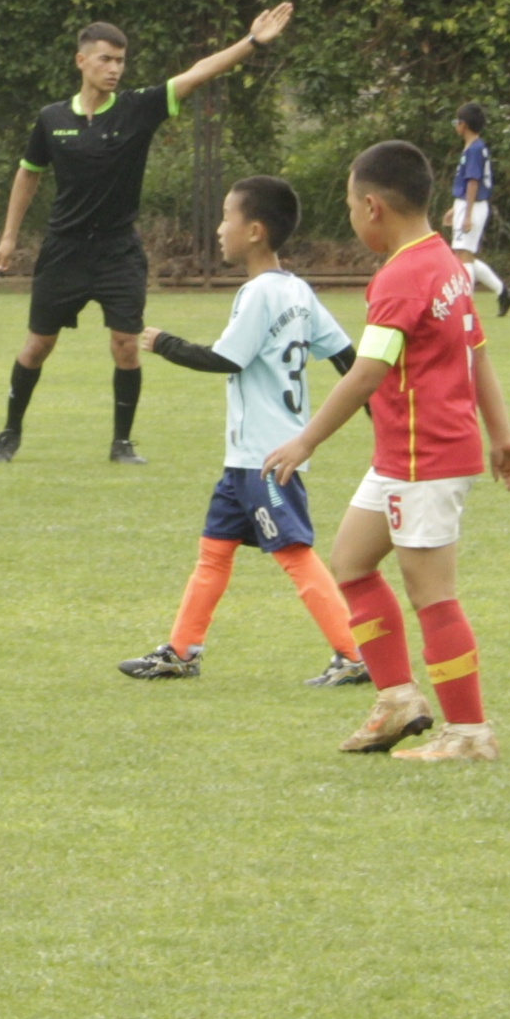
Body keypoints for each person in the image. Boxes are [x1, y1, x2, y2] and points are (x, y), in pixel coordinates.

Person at [263, 140, 510, 761]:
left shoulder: (402, 277)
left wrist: (305, 440)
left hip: (425, 458)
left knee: (432, 593)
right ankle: (397, 701)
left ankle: (468, 732)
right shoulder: (445, 262)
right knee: (352, 561)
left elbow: (366, 373)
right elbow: (478, 352)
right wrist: (503, 435)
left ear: (373, 206)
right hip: (404, 457)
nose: (353, 219)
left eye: (352, 207)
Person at [0, 3, 294, 465]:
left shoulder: (137, 109)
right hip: (64, 250)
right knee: (37, 346)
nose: (115, 68)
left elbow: (198, 73)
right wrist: (9, 237)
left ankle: (122, 443)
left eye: (121, 60)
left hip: (118, 251)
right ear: (81, 61)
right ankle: (9, 433)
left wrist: (251, 43)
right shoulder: (51, 118)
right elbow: (28, 174)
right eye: (105, 59)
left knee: (127, 345)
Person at [116, 174, 371, 688]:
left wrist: (163, 342)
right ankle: (182, 650)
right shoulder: (298, 290)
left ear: (254, 230)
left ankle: (355, 653)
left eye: (227, 217)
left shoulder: (258, 294)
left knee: (294, 552)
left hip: (267, 456)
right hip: (244, 461)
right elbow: (347, 355)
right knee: (213, 550)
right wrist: (381, 416)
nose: (218, 229)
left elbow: (223, 358)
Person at [445, 102, 510, 315]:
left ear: (464, 125)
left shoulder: (475, 149)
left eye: (456, 122)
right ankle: (503, 292)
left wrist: (466, 214)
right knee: (462, 254)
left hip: (473, 206)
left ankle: (466, 306)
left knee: (463, 254)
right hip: (466, 204)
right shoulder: (472, 147)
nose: (455, 126)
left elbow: (473, 182)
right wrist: (455, 207)